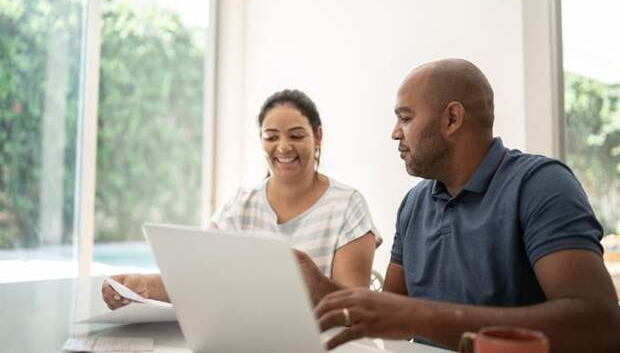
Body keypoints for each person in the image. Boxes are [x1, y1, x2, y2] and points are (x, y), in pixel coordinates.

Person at [301, 59, 620, 352]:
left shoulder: (540, 185)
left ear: (452, 118)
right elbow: (392, 317)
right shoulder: (414, 203)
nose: (395, 133)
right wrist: (325, 293)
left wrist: (418, 315)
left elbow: (598, 323)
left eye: (405, 118)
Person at [101, 89, 381, 309]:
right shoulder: (240, 206)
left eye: (296, 135)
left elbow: (357, 305)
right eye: (271, 137)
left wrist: (315, 282)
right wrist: (141, 286)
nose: (283, 147)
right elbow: (200, 277)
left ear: (317, 136)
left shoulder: (347, 205)